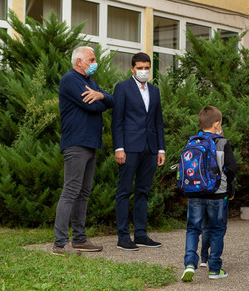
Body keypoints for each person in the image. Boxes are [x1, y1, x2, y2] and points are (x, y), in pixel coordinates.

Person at [52, 46, 114, 255]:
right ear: (79, 61)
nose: (95, 62)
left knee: (83, 192)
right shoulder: (70, 80)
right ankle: (60, 244)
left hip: (90, 144)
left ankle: (79, 239)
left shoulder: (90, 82)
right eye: (92, 59)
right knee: (71, 190)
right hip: (76, 144)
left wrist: (100, 96)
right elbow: (92, 106)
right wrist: (101, 99)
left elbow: (110, 100)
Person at [112, 52, 165, 251]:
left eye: (147, 68)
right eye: (140, 68)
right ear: (132, 69)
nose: (144, 71)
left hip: (150, 148)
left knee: (143, 191)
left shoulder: (155, 90)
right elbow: (116, 121)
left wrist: (161, 149)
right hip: (129, 148)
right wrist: (119, 147)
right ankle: (123, 236)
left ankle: (141, 234)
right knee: (124, 191)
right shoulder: (122, 88)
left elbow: (158, 121)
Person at [181, 106, 238, 281]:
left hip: (195, 193)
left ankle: (190, 263)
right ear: (216, 124)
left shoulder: (192, 142)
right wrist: (229, 188)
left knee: (192, 229)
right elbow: (232, 168)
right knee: (217, 230)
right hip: (217, 194)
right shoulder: (222, 142)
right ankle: (214, 268)